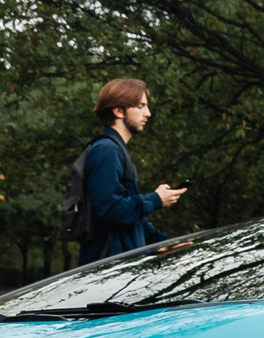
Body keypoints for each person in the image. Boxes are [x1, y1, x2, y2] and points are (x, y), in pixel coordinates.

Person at [69, 78, 187, 264]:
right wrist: (155, 199)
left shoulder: (115, 149)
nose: (147, 113)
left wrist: (167, 243)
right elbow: (111, 208)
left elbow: (131, 219)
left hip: (121, 266)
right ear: (118, 111)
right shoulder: (106, 150)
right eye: (140, 106)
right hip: (107, 267)